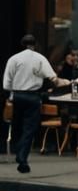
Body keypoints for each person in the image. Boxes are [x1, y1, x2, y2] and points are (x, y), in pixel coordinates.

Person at [3, 36, 65, 174]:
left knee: (17, 125)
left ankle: (18, 150)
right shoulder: (40, 58)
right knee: (29, 128)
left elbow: (6, 84)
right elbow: (51, 76)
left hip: (17, 96)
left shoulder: (13, 59)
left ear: (22, 44)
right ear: (35, 45)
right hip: (33, 96)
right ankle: (22, 157)